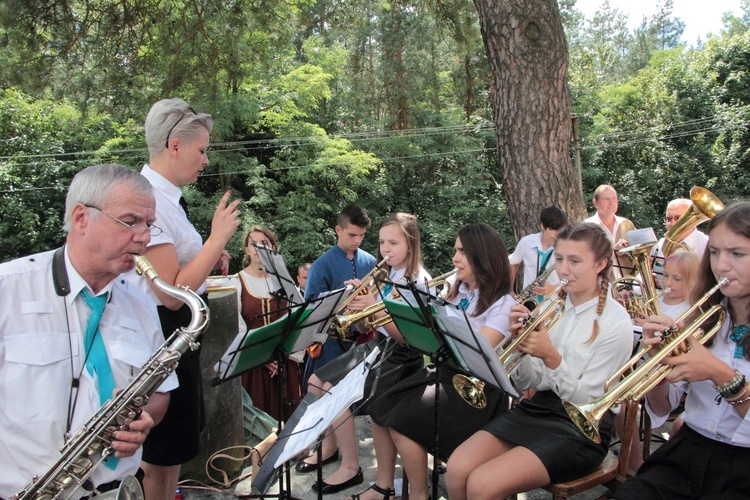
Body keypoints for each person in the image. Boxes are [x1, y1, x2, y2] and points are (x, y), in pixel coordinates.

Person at [0, 164, 176, 497]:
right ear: (82, 217)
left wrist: (145, 418)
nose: (145, 237)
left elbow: (160, 391)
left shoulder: (141, 303)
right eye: (131, 221)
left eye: (149, 224)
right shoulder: (7, 291)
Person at [445, 222, 633, 500]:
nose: (563, 270)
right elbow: (528, 381)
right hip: (539, 407)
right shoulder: (550, 306)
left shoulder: (616, 323)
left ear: (601, 264)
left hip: (583, 427)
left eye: (575, 261)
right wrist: (519, 346)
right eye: (559, 259)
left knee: (482, 484)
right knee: (457, 469)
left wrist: (552, 358)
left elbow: (588, 401)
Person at [127, 98, 242, 500]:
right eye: (202, 149)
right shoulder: (150, 202)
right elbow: (171, 293)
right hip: (164, 336)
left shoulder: (167, 196)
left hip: (179, 340)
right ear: (175, 145)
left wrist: (208, 256)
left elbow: (181, 266)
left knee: (173, 449)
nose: (206, 160)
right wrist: (216, 239)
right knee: (161, 452)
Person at [368, 223, 516, 500]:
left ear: (482, 257)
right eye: (455, 250)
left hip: (476, 390)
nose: (454, 258)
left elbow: (478, 352)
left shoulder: (503, 304)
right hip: (445, 375)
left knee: (402, 422)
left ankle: (419, 494)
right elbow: (428, 338)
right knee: (382, 405)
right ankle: (416, 491)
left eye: (462, 251)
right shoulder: (456, 291)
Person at [616, 201, 750, 499]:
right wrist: (658, 366)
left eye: (737, 253)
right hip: (691, 449)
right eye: (714, 252)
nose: (721, 266)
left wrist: (720, 374)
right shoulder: (704, 317)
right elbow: (663, 408)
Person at [299, 213, 431, 496]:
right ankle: (354, 465)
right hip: (378, 348)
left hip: (400, 356)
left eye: (393, 243)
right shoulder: (386, 275)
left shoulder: (417, 280)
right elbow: (363, 327)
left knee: (344, 395)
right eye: (382, 242)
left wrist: (377, 306)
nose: (385, 249)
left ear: (411, 243)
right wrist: (360, 308)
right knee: (318, 382)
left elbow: (409, 339)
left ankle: (362, 473)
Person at [295, 204, 376, 484]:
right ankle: (328, 448)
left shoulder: (370, 261)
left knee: (337, 397)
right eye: (352, 234)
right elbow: (312, 309)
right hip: (330, 342)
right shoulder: (322, 264)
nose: (357, 241)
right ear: (338, 230)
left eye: (362, 236)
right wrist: (344, 299)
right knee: (324, 394)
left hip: (362, 339)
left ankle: (342, 458)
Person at [238, 225, 303, 421]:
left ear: (273, 247)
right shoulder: (236, 282)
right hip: (253, 366)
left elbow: (299, 317)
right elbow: (238, 327)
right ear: (246, 249)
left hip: (284, 362)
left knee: (288, 419)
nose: (259, 248)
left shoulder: (284, 282)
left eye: (264, 243)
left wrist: (282, 352)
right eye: (253, 244)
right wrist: (263, 356)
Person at [509, 206, 568, 304]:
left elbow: (571, 277)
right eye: (554, 229)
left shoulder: (565, 247)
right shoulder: (526, 242)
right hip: (528, 302)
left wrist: (553, 288)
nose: (558, 234)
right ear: (543, 226)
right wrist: (510, 290)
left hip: (553, 303)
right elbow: (513, 263)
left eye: (561, 230)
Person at [651, 198, 709, 288]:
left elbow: (708, 283)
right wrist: (650, 280)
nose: (673, 223)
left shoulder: (706, 245)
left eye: (678, 218)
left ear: (691, 220)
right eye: (668, 219)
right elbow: (639, 284)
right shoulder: (659, 245)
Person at [584, 184, 635, 278]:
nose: (612, 203)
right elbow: (585, 260)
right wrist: (613, 252)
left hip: (629, 283)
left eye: (614, 198)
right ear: (595, 202)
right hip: (600, 284)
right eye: (606, 199)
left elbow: (638, 256)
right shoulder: (587, 227)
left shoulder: (627, 225)